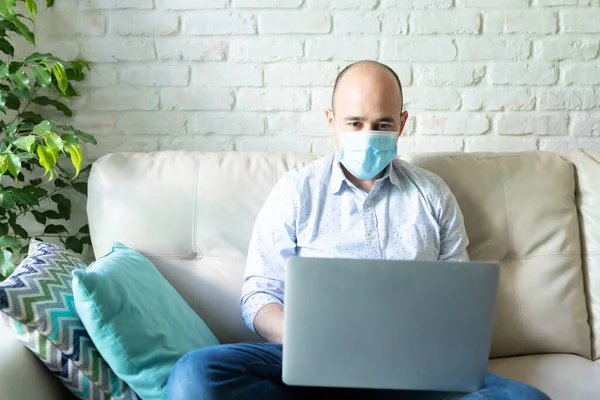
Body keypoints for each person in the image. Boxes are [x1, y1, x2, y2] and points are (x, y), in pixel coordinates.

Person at [167, 60, 551, 400]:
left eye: (382, 124)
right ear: (331, 121)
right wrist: (304, 340)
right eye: (354, 123)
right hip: (311, 361)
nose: (368, 134)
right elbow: (258, 295)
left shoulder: (432, 194)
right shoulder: (296, 191)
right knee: (195, 376)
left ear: (401, 124)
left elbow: (463, 300)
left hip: (414, 365)